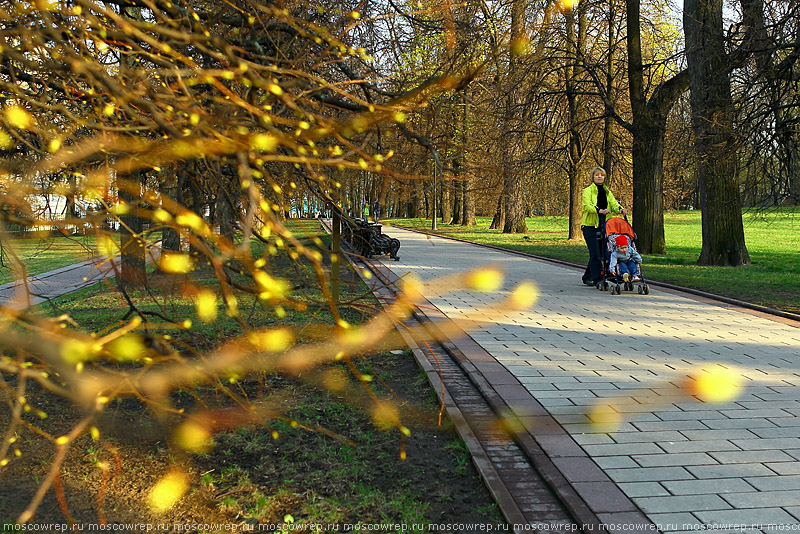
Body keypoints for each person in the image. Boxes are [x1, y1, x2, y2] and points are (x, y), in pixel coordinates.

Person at [581, 167, 627, 287]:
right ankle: (597, 279)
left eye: (602, 175)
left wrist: (620, 209)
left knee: (601, 253)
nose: (599, 177)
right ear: (593, 177)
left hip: (602, 225)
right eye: (597, 175)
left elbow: (613, 203)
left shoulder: (606, 191)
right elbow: (587, 206)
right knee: (595, 252)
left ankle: (587, 276)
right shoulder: (587, 191)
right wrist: (599, 211)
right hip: (589, 226)